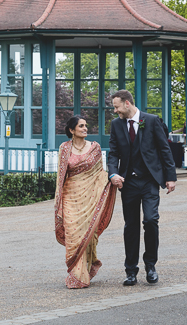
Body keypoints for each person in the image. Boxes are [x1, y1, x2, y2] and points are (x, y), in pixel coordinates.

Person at [107, 90, 177, 286]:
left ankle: (151, 265)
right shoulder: (116, 125)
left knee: (151, 220)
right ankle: (131, 271)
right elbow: (113, 153)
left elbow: (165, 149)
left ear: (127, 103)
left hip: (149, 181)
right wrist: (113, 174)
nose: (115, 110)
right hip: (128, 183)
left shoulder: (152, 120)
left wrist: (170, 177)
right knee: (131, 226)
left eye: (117, 106)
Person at [54, 115, 117, 288]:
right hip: (70, 195)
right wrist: (58, 202)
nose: (85, 128)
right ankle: (76, 274)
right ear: (71, 130)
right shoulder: (64, 148)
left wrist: (112, 179)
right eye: (81, 126)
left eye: (86, 126)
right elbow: (61, 176)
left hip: (89, 197)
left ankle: (86, 268)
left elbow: (99, 174)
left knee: (88, 235)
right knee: (73, 233)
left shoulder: (95, 147)